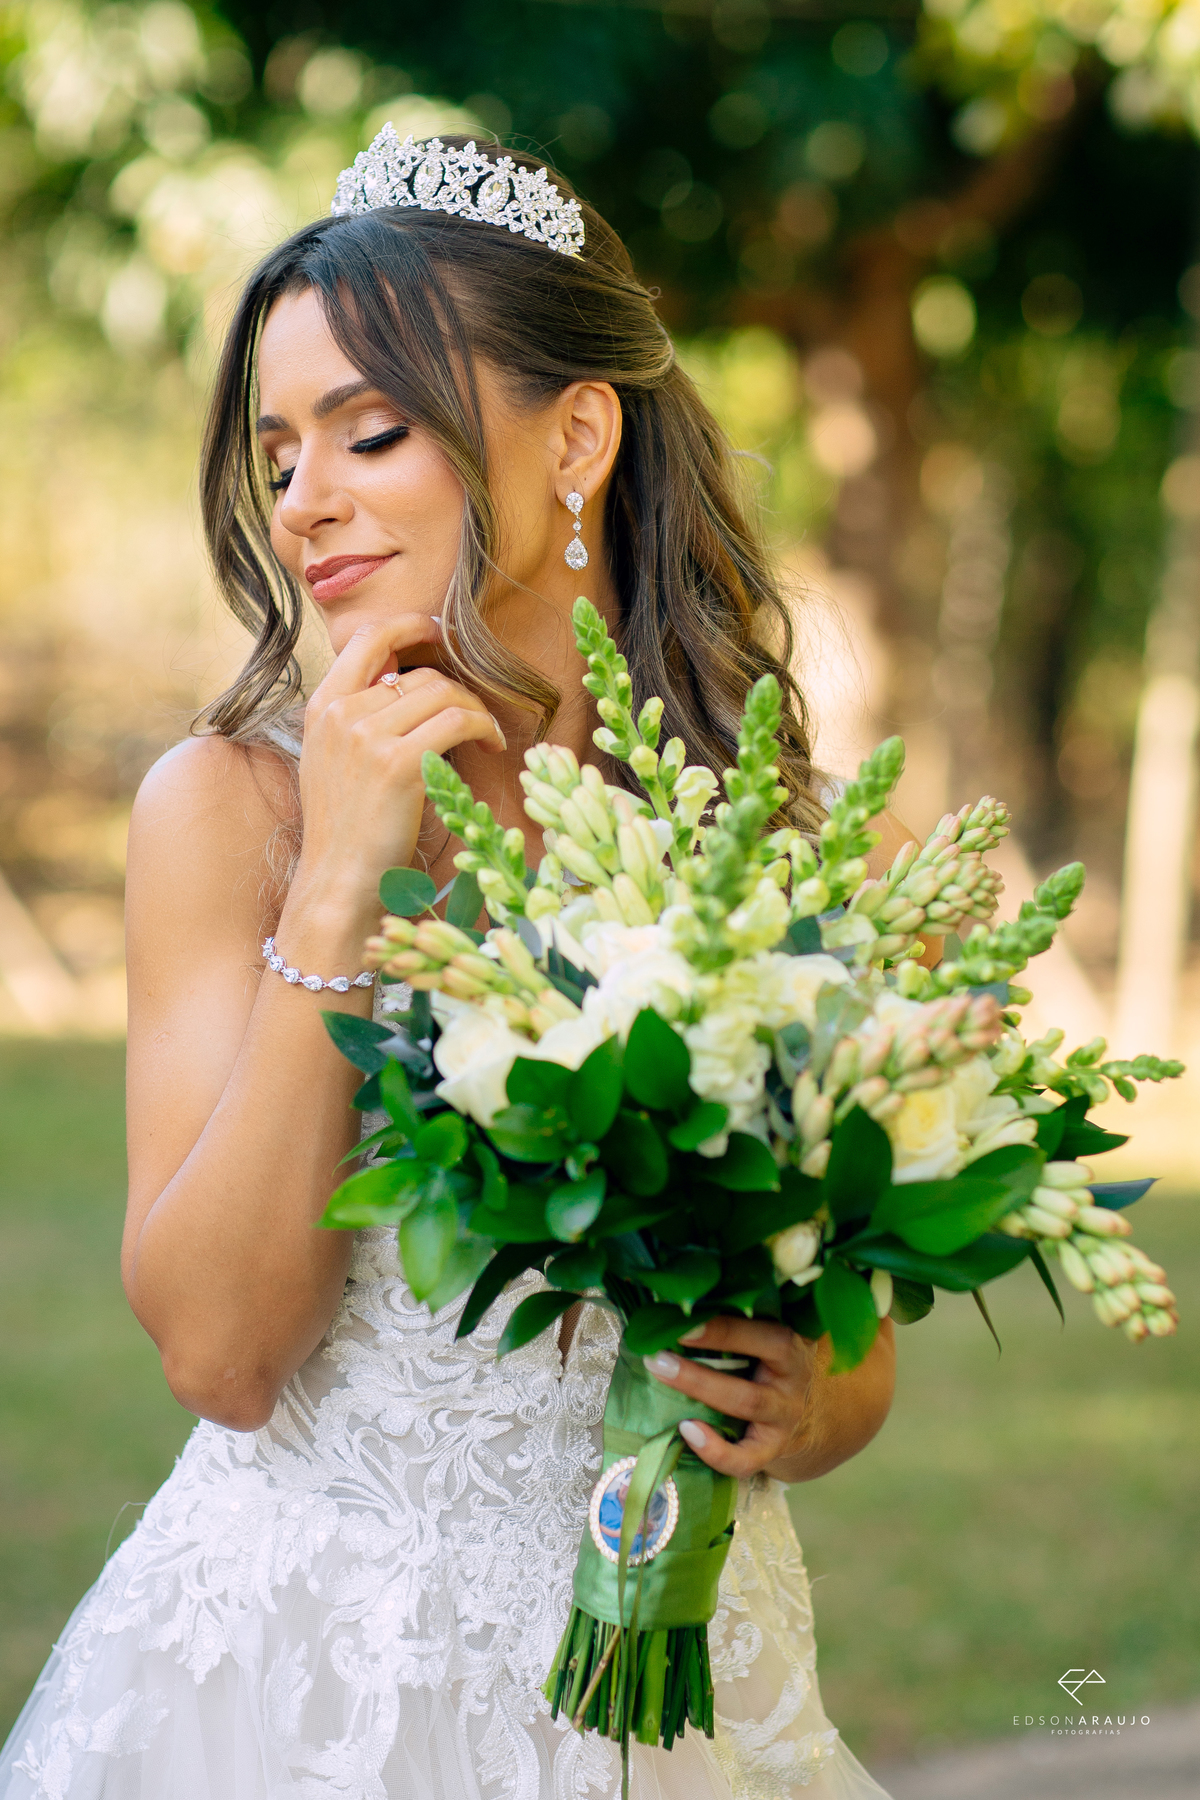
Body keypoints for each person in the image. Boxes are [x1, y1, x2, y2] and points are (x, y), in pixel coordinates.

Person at [0, 133, 903, 1800]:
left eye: (372, 430)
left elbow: (849, 1365)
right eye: (277, 453)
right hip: (313, 1702)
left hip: (685, 1693)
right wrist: (339, 881)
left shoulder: (764, 823)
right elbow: (219, 1358)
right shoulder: (229, 810)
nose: (304, 498)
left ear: (576, 433)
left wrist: (804, 1399)